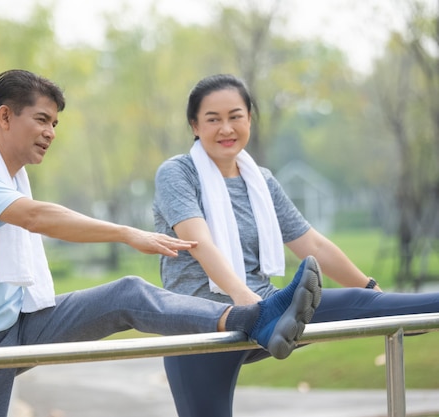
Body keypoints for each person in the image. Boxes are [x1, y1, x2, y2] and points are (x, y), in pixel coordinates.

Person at [0, 69, 323, 417]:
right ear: (6, 116)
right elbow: (35, 218)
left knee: (127, 294)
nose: (51, 132)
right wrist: (126, 232)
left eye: (55, 124)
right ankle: (258, 317)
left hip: (11, 326)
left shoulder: (9, 175)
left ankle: (254, 318)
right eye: (42, 119)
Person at [153, 73, 439, 417]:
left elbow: (312, 244)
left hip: (270, 312)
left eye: (235, 117)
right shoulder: (177, 174)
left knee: (360, 302)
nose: (226, 128)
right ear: (194, 126)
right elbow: (199, 242)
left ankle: (419, 311)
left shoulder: (262, 181)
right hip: (200, 320)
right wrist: (249, 305)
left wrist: (372, 291)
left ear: (249, 120)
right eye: (213, 119)